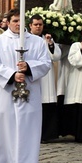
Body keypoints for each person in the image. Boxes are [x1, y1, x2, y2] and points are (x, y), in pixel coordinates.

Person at [0, 8, 52, 163]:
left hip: (29, 94)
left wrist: (29, 67)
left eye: (20, 21)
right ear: (7, 22)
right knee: (6, 130)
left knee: (27, 131)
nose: (17, 24)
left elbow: (46, 63)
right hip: (5, 94)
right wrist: (11, 74)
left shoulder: (37, 42)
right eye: (14, 20)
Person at [29, 14, 61, 142]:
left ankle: (46, 134)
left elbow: (56, 56)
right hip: (32, 76)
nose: (38, 27)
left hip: (46, 77)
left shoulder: (46, 40)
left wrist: (51, 44)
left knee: (47, 105)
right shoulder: (27, 40)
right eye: (35, 24)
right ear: (30, 25)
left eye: (40, 25)